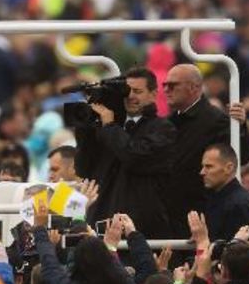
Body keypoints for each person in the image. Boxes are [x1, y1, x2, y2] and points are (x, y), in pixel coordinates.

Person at [75, 67, 176, 239]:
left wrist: (109, 127)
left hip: (140, 229)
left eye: (138, 91)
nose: (131, 96)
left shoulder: (163, 128)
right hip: (101, 221)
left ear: (153, 94)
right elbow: (84, 168)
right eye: (127, 91)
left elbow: (134, 156)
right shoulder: (108, 125)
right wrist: (87, 127)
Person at [163, 64, 249, 235]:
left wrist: (241, 127)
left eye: (172, 85)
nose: (166, 90)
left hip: (200, 220)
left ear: (193, 87)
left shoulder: (216, 121)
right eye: (165, 85)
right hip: (170, 219)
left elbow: (242, 156)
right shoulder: (168, 122)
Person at [199, 144, 249, 242]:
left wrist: (202, 240)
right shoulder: (220, 199)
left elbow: (234, 254)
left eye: (209, 166)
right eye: (203, 166)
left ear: (229, 168)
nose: (202, 172)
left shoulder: (237, 205)